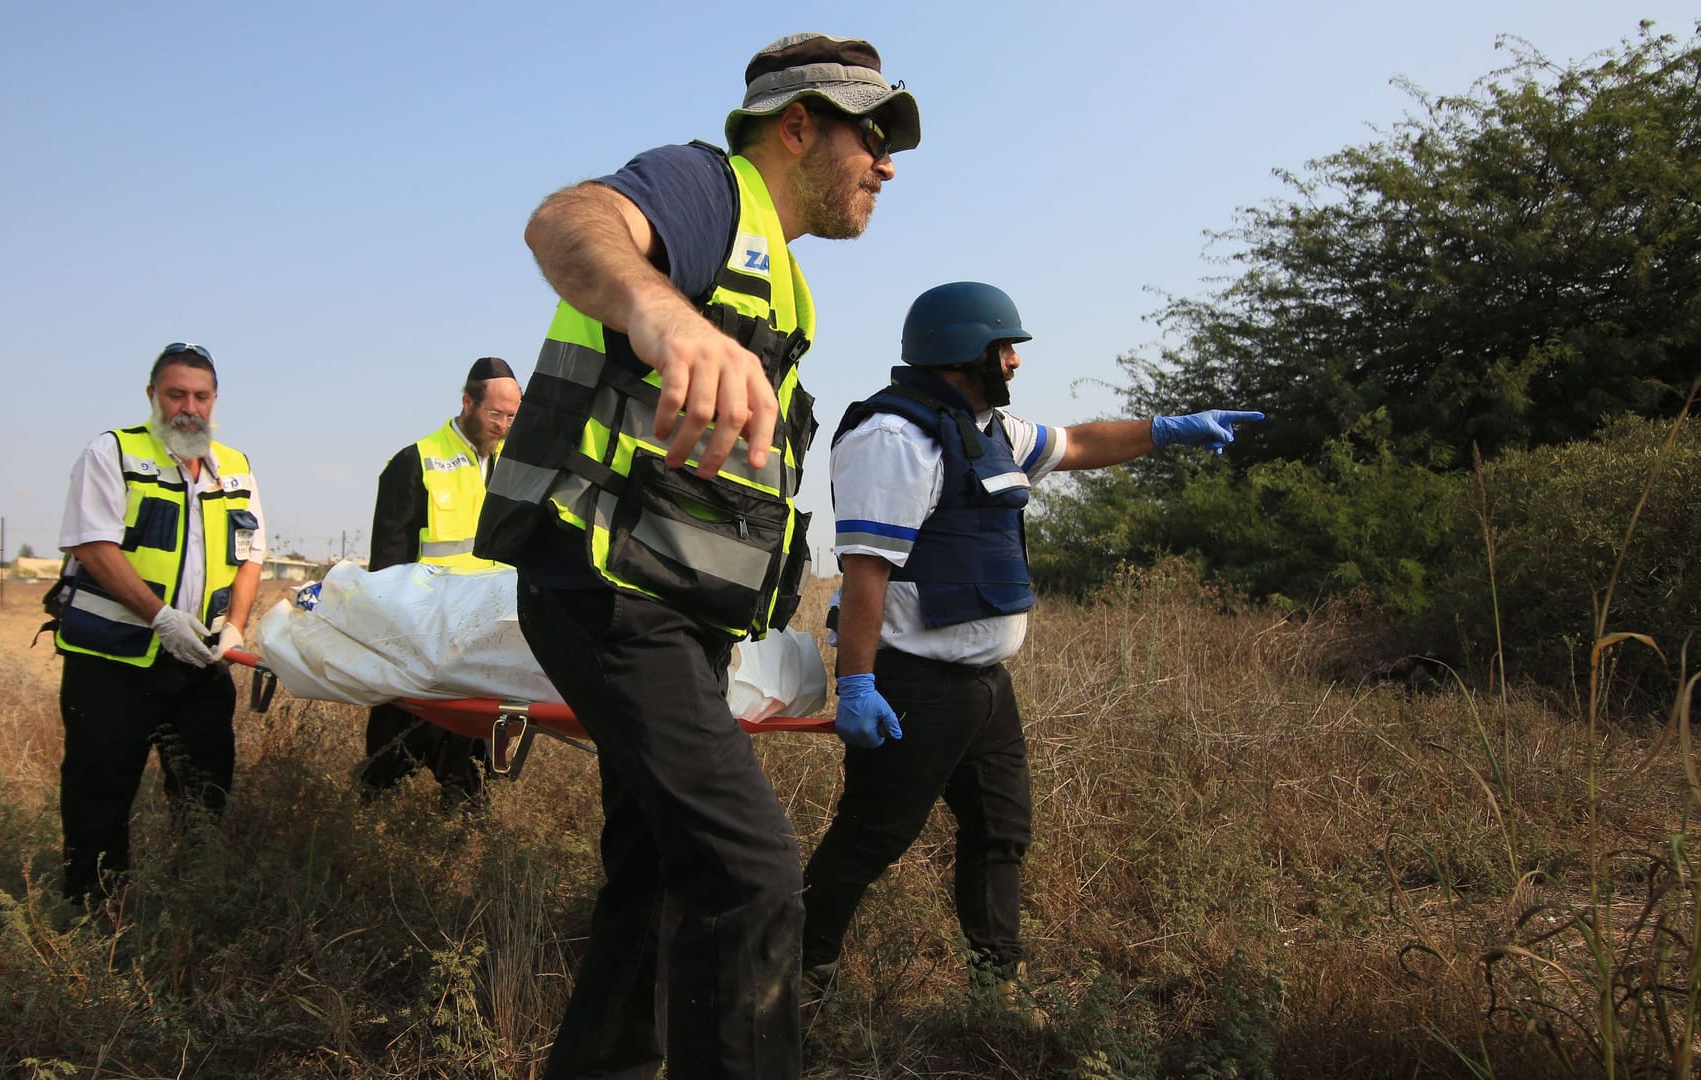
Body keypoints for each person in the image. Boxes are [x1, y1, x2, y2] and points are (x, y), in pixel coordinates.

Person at [472, 32, 920, 1080]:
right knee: (753, 873)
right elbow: (564, 222)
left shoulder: (784, 282)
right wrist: (663, 319)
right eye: (874, 135)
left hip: (673, 613)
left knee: (660, 871)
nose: (888, 164)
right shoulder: (703, 190)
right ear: (797, 125)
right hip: (610, 596)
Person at [801, 282, 1263, 1008]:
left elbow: (1076, 443)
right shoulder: (893, 438)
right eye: (1002, 347)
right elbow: (865, 576)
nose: (1014, 361)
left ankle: (998, 988)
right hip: (915, 683)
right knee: (870, 839)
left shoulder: (988, 429)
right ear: (961, 352)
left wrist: (1166, 430)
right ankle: (796, 977)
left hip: (986, 687)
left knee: (1000, 832)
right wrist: (856, 684)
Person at [52, 341, 266, 906]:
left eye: (200, 396)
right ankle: (93, 912)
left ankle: (191, 902)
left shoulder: (236, 467)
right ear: (153, 396)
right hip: (113, 661)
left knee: (205, 791)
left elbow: (251, 558)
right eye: (175, 394)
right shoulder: (112, 453)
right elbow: (95, 546)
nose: (188, 407)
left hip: (198, 662)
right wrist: (162, 617)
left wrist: (235, 626)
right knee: (100, 790)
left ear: (215, 400)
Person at [358, 356, 521, 803]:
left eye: (512, 416)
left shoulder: (518, 470)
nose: (503, 425)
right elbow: (387, 570)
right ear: (468, 402)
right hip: (422, 648)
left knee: (474, 782)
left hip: (489, 650)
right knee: (389, 768)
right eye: (495, 414)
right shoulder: (415, 464)